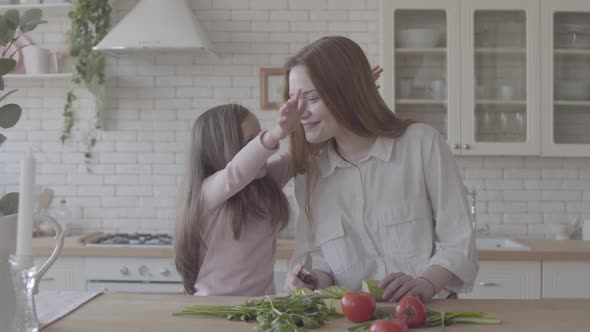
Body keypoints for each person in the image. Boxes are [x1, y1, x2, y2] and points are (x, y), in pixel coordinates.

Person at [283, 36, 478, 303]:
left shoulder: (420, 144)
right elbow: (323, 258)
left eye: (312, 98)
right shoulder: (311, 175)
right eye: (294, 101)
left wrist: (425, 283)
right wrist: (316, 280)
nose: (300, 112)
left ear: (348, 94)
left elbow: (459, 241)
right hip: (352, 318)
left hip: (427, 314)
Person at [174, 95, 306, 296]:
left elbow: (300, 157)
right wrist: (276, 133)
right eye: (249, 141)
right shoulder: (207, 191)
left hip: (259, 308)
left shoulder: (264, 182)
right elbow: (236, 173)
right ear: (222, 149)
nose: (263, 149)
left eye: (260, 136)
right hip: (213, 306)